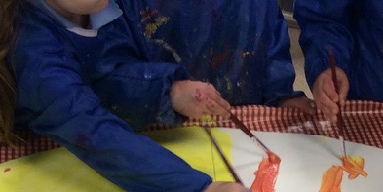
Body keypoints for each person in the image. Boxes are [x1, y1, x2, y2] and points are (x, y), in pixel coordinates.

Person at [0, 0, 262, 192]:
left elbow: (102, 75)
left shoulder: (92, 5)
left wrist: (169, 92)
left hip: (49, 113)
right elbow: (94, 132)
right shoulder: (33, 52)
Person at [119, 0, 313, 112]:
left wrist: (280, 95)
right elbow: (109, 72)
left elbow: (268, 37)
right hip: (159, 121)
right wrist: (167, 91)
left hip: (242, 115)